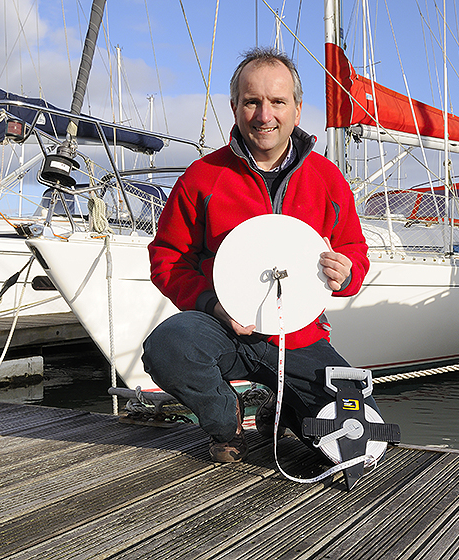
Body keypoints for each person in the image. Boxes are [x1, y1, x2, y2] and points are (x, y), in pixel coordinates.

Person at [142, 47, 373, 463]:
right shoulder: (202, 178)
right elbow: (167, 258)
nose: (264, 115)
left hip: (300, 337)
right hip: (223, 330)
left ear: (297, 110)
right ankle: (226, 421)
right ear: (235, 107)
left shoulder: (326, 178)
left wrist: (348, 269)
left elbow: (354, 250)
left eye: (278, 102)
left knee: (346, 444)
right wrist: (212, 305)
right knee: (170, 345)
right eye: (252, 102)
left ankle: (280, 409)